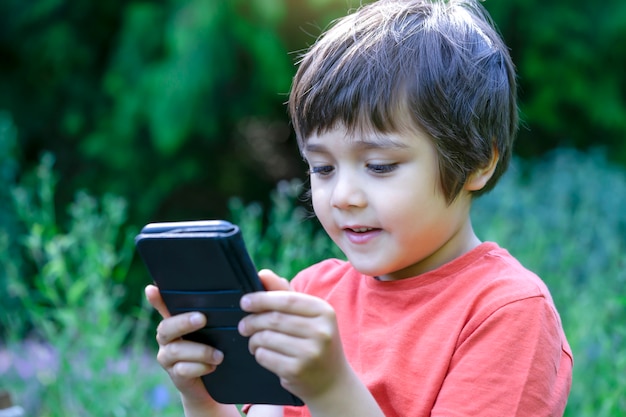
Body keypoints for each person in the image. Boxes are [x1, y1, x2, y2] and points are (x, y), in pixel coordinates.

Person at [145, 0, 573, 416]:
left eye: (379, 165)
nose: (342, 195)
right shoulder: (312, 294)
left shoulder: (507, 311)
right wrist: (202, 397)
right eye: (322, 167)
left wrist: (331, 387)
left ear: (478, 161)